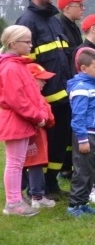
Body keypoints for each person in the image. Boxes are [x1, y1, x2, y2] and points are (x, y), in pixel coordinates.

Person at [15, 0, 73, 199]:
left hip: (63, 96)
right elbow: (25, 63)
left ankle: (52, 184)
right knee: (39, 146)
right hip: (43, 100)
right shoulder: (26, 21)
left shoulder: (54, 20)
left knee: (59, 144)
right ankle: (35, 187)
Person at [0, 25, 51, 217]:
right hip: (17, 121)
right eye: (27, 41)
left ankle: (16, 200)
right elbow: (17, 100)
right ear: (13, 44)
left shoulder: (16, 65)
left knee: (18, 162)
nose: (31, 45)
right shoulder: (11, 67)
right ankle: (13, 202)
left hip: (21, 120)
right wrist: (37, 116)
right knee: (15, 163)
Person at [66, 49, 95, 217]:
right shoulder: (80, 88)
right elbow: (78, 117)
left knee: (91, 169)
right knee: (82, 170)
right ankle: (74, 206)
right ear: (84, 68)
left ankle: (84, 203)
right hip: (85, 135)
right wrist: (83, 139)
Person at [22, 63, 57, 210]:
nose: (45, 82)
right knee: (35, 164)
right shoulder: (36, 97)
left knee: (21, 165)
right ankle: (37, 196)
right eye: (41, 79)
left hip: (23, 137)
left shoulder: (23, 96)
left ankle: (18, 194)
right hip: (35, 137)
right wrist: (45, 119)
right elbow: (49, 117)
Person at [57, 0, 89, 66]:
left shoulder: (74, 26)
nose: (83, 9)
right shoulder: (59, 28)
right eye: (80, 5)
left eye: (83, 5)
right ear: (67, 9)